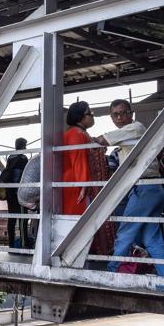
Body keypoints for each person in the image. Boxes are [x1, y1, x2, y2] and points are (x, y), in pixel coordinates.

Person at [95, 99, 164, 277]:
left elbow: (101, 140)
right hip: (152, 188)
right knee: (152, 238)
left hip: (143, 187)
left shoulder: (135, 128)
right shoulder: (130, 132)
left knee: (125, 232)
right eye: (116, 114)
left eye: (123, 113)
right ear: (111, 117)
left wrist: (84, 137)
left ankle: (110, 273)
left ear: (131, 114)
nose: (120, 117)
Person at [62, 101, 115, 255]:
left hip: (81, 182)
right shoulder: (76, 134)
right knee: (82, 220)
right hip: (77, 184)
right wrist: (84, 184)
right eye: (89, 113)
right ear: (80, 117)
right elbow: (78, 160)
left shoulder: (80, 133)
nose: (93, 116)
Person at [1, 138, 29, 248]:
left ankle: (11, 244)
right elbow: (26, 176)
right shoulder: (23, 158)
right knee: (23, 219)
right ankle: (24, 244)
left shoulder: (10, 158)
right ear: (23, 146)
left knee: (12, 218)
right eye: (25, 145)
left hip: (10, 193)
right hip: (20, 194)